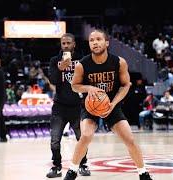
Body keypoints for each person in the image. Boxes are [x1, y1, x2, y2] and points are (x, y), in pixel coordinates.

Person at [64, 29, 153, 180]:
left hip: (111, 105)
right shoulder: (82, 65)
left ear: (106, 43)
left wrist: (113, 104)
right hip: (90, 106)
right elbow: (74, 85)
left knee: (129, 139)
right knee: (85, 136)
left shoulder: (119, 62)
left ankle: (143, 173)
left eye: (98, 39)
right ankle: (72, 170)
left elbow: (126, 85)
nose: (95, 42)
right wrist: (89, 88)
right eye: (92, 40)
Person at [47, 33, 90, 178]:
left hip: (78, 107)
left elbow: (88, 80)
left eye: (68, 43)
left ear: (74, 44)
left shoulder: (83, 59)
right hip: (59, 107)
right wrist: (60, 69)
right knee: (54, 140)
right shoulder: (54, 60)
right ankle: (57, 167)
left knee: (81, 138)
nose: (65, 45)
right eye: (63, 43)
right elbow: (53, 81)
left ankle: (83, 164)